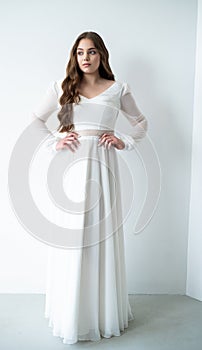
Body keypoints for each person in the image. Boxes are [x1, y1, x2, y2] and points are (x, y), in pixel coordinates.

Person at [31, 31, 148, 344]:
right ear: (75, 55)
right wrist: (56, 140)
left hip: (104, 169)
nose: (86, 57)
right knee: (72, 240)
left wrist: (125, 141)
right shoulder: (62, 86)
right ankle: (70, 313)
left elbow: (141, 122)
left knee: (100, 237)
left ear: (102, 56)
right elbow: (35, 121)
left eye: (92, 52)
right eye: (81, 52)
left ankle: (99, 313)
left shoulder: (118, 89)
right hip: (71, 170)